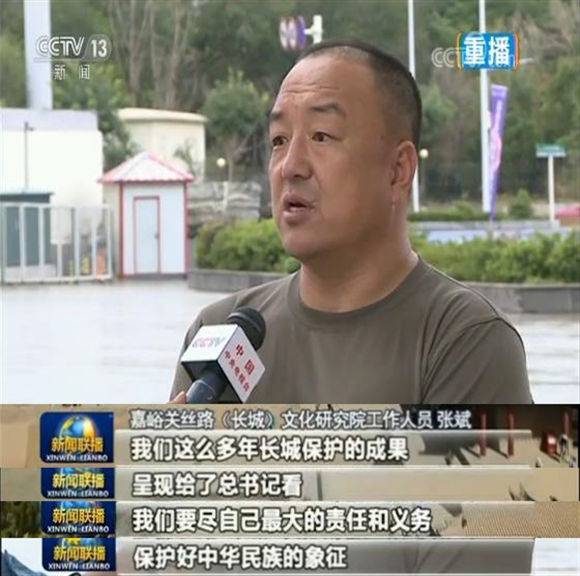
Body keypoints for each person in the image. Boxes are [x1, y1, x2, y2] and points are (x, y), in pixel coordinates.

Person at [170, 39, 533, 405]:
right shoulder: (219, 334)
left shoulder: (465, 340)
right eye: (279, 140)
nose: (290, 166)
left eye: (321, 136)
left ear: (398, 170)